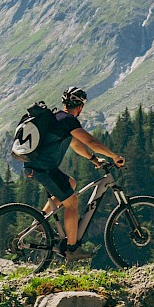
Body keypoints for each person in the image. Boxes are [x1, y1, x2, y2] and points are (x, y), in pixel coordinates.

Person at [25, 87, 125, 259]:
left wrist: (94, 159)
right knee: (71, 202)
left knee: (70, 183)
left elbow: (76, 144)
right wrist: (114, 156)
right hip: (43, 168)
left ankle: (40, 220)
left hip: (38, 166)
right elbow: (91, 142)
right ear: (80, 107)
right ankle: (72, 249)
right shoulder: (69, 120)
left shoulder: (58, 118)